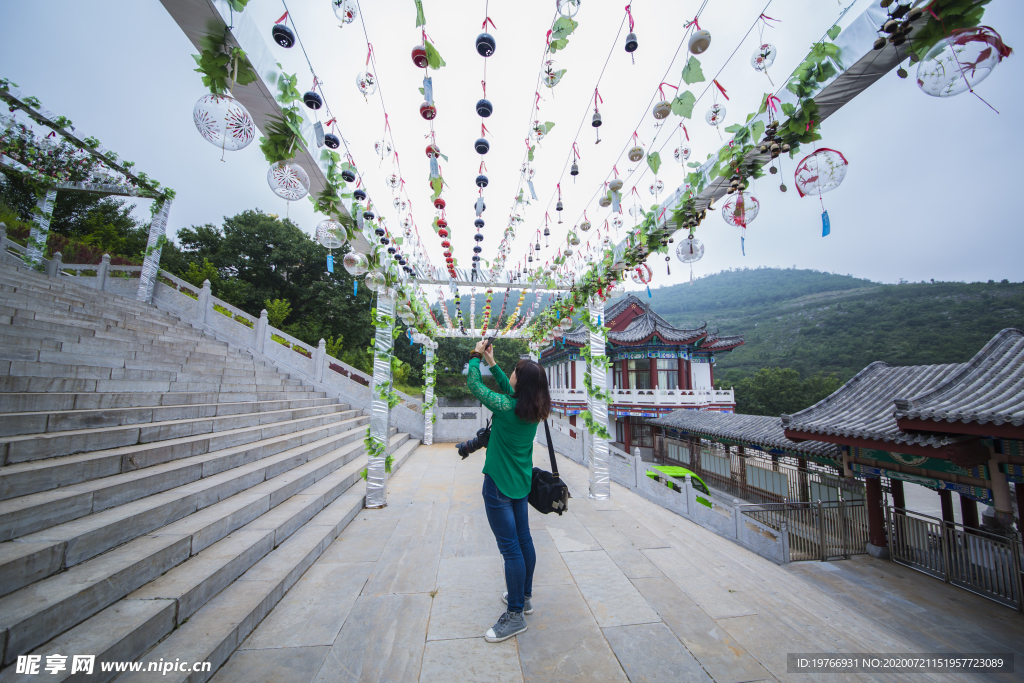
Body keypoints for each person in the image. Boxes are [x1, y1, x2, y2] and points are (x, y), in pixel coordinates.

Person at [466, 339, 550, 643]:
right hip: (520, 485)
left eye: (515, 371)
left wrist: (475, 356)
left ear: (521, 382)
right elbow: (509, 389)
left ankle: (515, 615)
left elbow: (474, 386)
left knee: (510, 550)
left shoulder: (506, 408)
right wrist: (492, 363)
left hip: (499, 486)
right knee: (523, 540)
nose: (510, 375)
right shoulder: (534, 407)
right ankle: (524, 597)